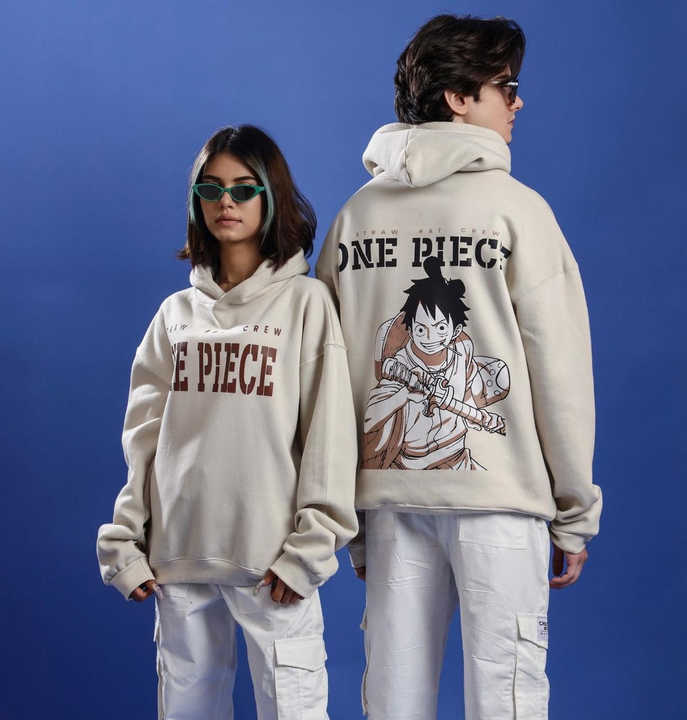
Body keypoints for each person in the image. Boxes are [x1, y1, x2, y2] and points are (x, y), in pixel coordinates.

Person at [316, 14, 602, 720]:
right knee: (506, 698)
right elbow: (560, 372)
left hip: (385, 499)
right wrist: (574, 510)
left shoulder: (355, 218)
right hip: (498, 499)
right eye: (506, 85)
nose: (518, 102)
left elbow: (327, 381)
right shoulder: (517, 212)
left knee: (393, 701)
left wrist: (345, 511)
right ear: (458, 98)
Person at [97, 124, 357, 720]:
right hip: (178, 560)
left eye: (243, 188)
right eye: (211, 189)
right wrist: (126, 540)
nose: (226, 202)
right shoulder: (174, 315)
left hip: (272, 562)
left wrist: (311, 549)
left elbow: (329, 437)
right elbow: (144, 442)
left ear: (271, 196)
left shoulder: (306, 304)